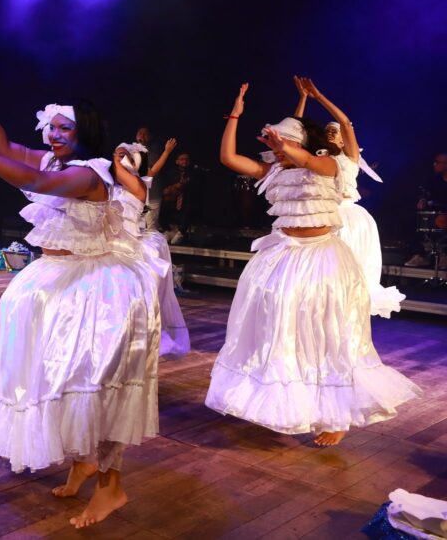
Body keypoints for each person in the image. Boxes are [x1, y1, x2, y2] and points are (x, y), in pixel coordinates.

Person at [0, 66, 160, 529]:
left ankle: (112, 486)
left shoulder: (93, 173)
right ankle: (81, 460)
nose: (54, 134)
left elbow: (39, 184)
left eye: (65, 128)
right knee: (55, 381)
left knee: (93, 385)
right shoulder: (53, 161)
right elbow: (8, 149)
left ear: (85, 132)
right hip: (53, 280)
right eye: (51, 127)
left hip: (96, 289)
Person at [205, 83, 419, 447]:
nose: (275, 151)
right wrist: (235, 115)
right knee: (281, 332)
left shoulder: (329, 164)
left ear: (301, 144)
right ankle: (287, 402)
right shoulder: (273, 170)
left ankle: (338, 415)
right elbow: (228, 158)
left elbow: (308, 157)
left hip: (322, 258)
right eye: (275, 145)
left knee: (329, 334)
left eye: (284, 144)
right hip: (283, 256)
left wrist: (310, 106)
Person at [293, 76, 403, 317]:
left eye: (335, 132)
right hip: (326, 215)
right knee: (323, 278)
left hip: (351, 219)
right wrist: (302, 99)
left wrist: (318, 96)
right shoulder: (320, 159)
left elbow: (346, 122)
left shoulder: (350, 157)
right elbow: (295, 134)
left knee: (352, 277)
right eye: (327, 132)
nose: (331, 133)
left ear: (343, 139)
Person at [112, 141, 191, 359]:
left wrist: (165, 151)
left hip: (129, 244)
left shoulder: (139, 183)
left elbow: (152, 169)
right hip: (110, 244)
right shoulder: (111, 184)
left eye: (124, 157)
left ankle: (134, 336)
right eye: (118, 156)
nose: (119, 160)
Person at [134, 127, 176, 230]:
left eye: (145, 134)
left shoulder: (154, 150)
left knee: (151, 226)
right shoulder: (130, 151)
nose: (142, 136)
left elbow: (151, 172)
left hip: (152, 194)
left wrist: (166, 152)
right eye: (140, 133)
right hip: (134, 194)